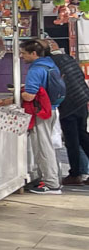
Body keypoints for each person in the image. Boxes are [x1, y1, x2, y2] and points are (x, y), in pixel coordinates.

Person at [22, 38, 65, 193]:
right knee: (46, 145)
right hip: (51, 109)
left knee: (43, 147)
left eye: (24, 53)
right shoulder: (50, 64)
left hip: (40, 112)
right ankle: (51, 179)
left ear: (34, 53)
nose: (22, 56)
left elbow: (30, 96)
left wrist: (20, 93)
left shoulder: (35, 70)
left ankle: (51, 184)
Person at [47, 38, 89, 187]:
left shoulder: (51, 63)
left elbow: (55, 84)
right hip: (82, 99)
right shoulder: (68, 59)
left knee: (72, 141)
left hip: (69, 103)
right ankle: (78, 172)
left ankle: (75, 174)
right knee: (82, 136)